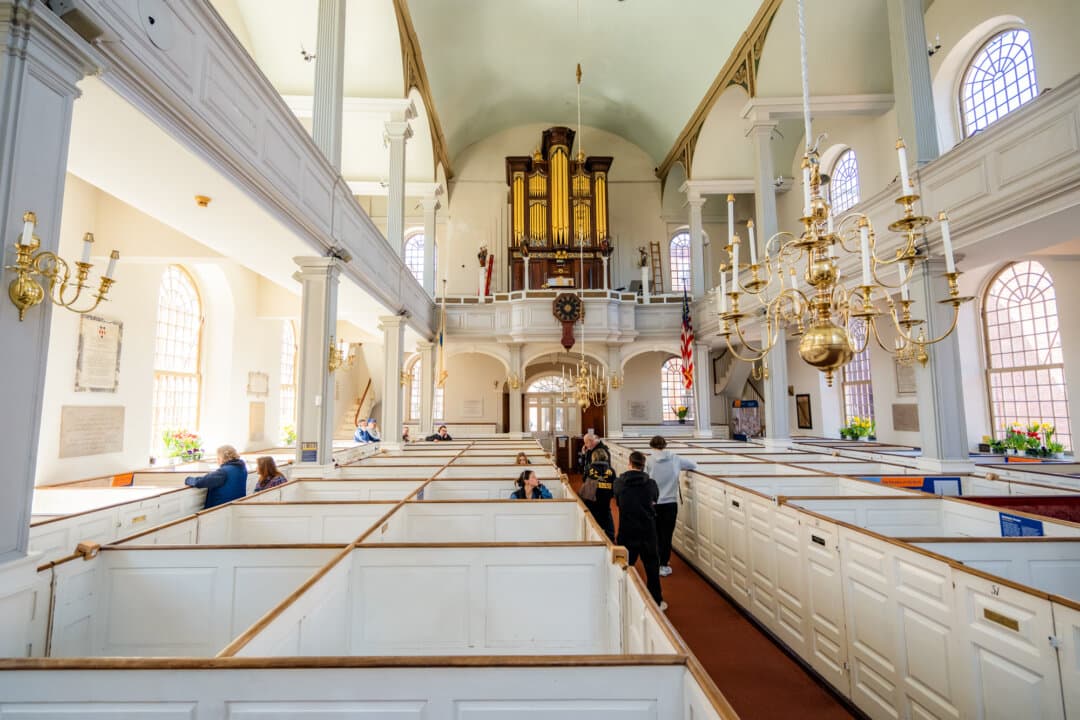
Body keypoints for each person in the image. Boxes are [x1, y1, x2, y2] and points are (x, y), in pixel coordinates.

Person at [614, 450, 665, 610]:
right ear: (644, 466)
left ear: (629, 464)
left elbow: (617, 501)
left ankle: (621, 598)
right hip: (647, 531)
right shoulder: (651, 484)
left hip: (627, 530)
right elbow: (654, 500)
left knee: (624, 566)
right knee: (652, 567)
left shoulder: (619, 483)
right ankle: (656, 601)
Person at [645, 435, 697, 577]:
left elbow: (645, 480)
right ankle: (663, 564)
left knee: (654, 534)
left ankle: (654, 562)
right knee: (666, 535)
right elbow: (693, 465)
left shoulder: (648, 460)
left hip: (653, 503)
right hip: (670, 502)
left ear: (651, 446)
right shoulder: (675, 458)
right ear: (665, 445)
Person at [583, 447, 616, 541]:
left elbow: (584, 480)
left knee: (593, 519)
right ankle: (610, 537)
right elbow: (613, 483)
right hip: (605, 499)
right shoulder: (611, 470)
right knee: (607, 518)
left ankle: (593, 538)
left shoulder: (589, 469)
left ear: (594, 457)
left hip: (592, 500)